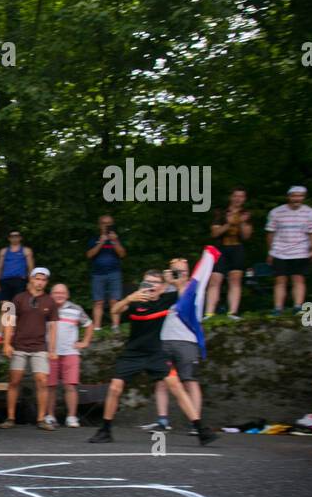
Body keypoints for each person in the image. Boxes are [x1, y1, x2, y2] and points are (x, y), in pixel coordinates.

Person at [88, 269, 215, 445]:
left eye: (155, 282)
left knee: (175, 385)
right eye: (147, 282)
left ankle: (201, 430)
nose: (150, 286)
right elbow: (116, 311)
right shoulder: (136, 300)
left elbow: (186, 298)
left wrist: (176, 282)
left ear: (162, 287)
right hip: (132, 353)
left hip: (156, 354)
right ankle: (105, 430)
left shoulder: (166, 300)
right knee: (115, 388)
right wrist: (128, 299)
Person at [143, 257, 206, 435]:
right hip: (164, 340)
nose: (179, 274)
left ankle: (196, 423)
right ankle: (162, 421)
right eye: (175, 271)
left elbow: (186, 307)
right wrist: (164, 283)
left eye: (182, 271)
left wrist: (178, 285)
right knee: (161, 382)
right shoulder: (164, 289)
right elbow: (149, 302)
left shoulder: (195, 288)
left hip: (187, 340)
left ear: (188, 272)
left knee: (189, 381)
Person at [0, 268, 58, 430]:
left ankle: (41, 419)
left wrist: (52, 349)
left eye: (43, 280)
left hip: (40, 347)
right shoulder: (17, 298)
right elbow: (8, 320)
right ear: (31, 280)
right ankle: (10, 417)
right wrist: (6, 343)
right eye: (37, 278)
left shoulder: (50, 301)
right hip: (19, 345)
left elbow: (53, 327)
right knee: (14, 381)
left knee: (42, 381)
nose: (40, 282)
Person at [43, 283, 93, 427]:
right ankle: (50, 416)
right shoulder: (45, 308)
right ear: (51, 294)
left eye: (62, 293)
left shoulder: (76, 309)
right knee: (50, 386)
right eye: (56, 292)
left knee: (70, 386)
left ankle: (71, 417)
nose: (59, 295)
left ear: (67, 295)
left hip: (70, 352)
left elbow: (89, 324)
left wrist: (85, 342)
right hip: (50, 353)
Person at [265, 186, 312, 315]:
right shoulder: (276, 212)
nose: (297, 198)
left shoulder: (310, 212)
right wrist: (270, 251)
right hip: (279, 250)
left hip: (301, 250)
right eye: (294, 196)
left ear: (304, 197)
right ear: (288, 196)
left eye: (300, 196)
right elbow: (270, 233)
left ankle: (298, 307)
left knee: (298, 279)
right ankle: (278, 308)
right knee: (280, 280)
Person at [206, 186, 253, 319]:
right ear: (231, 197)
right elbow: (214, 233)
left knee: (235, 280)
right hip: (221, 248)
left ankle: (232, 312)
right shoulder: (221, 213)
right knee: (215, 279)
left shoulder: (246, 214)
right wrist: (229, 223)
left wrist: (242, 223)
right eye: (236, 196)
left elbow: (247, 236)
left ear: (244, 199)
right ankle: (209, 313)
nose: (238, 199)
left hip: (237, 248)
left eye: (241, 196)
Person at [86, 214, 127, 330]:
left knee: (115, 300)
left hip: (114, 273)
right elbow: (89, 255)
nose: (107, 226)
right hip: (98, 274)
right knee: (98, 301)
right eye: (105, 224)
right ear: (100, 225)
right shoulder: (94, 239)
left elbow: (122, 254)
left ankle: (115, 326)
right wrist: (101, 242)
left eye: (110, 224)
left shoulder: (116, 238)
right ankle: (97, 328)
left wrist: (114, 241)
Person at [0, 231, 34, 311]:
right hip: (5, 281)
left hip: (20, 280)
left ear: (20, 238)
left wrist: (31, 282)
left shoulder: (26, 251)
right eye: (12, 236)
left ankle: (17, 323)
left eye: (16, 236)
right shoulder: (3, 251)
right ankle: (6, 323)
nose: (14, 237)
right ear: (9, 238)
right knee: (5, 307)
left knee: (19, 306)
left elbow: (30, 268)